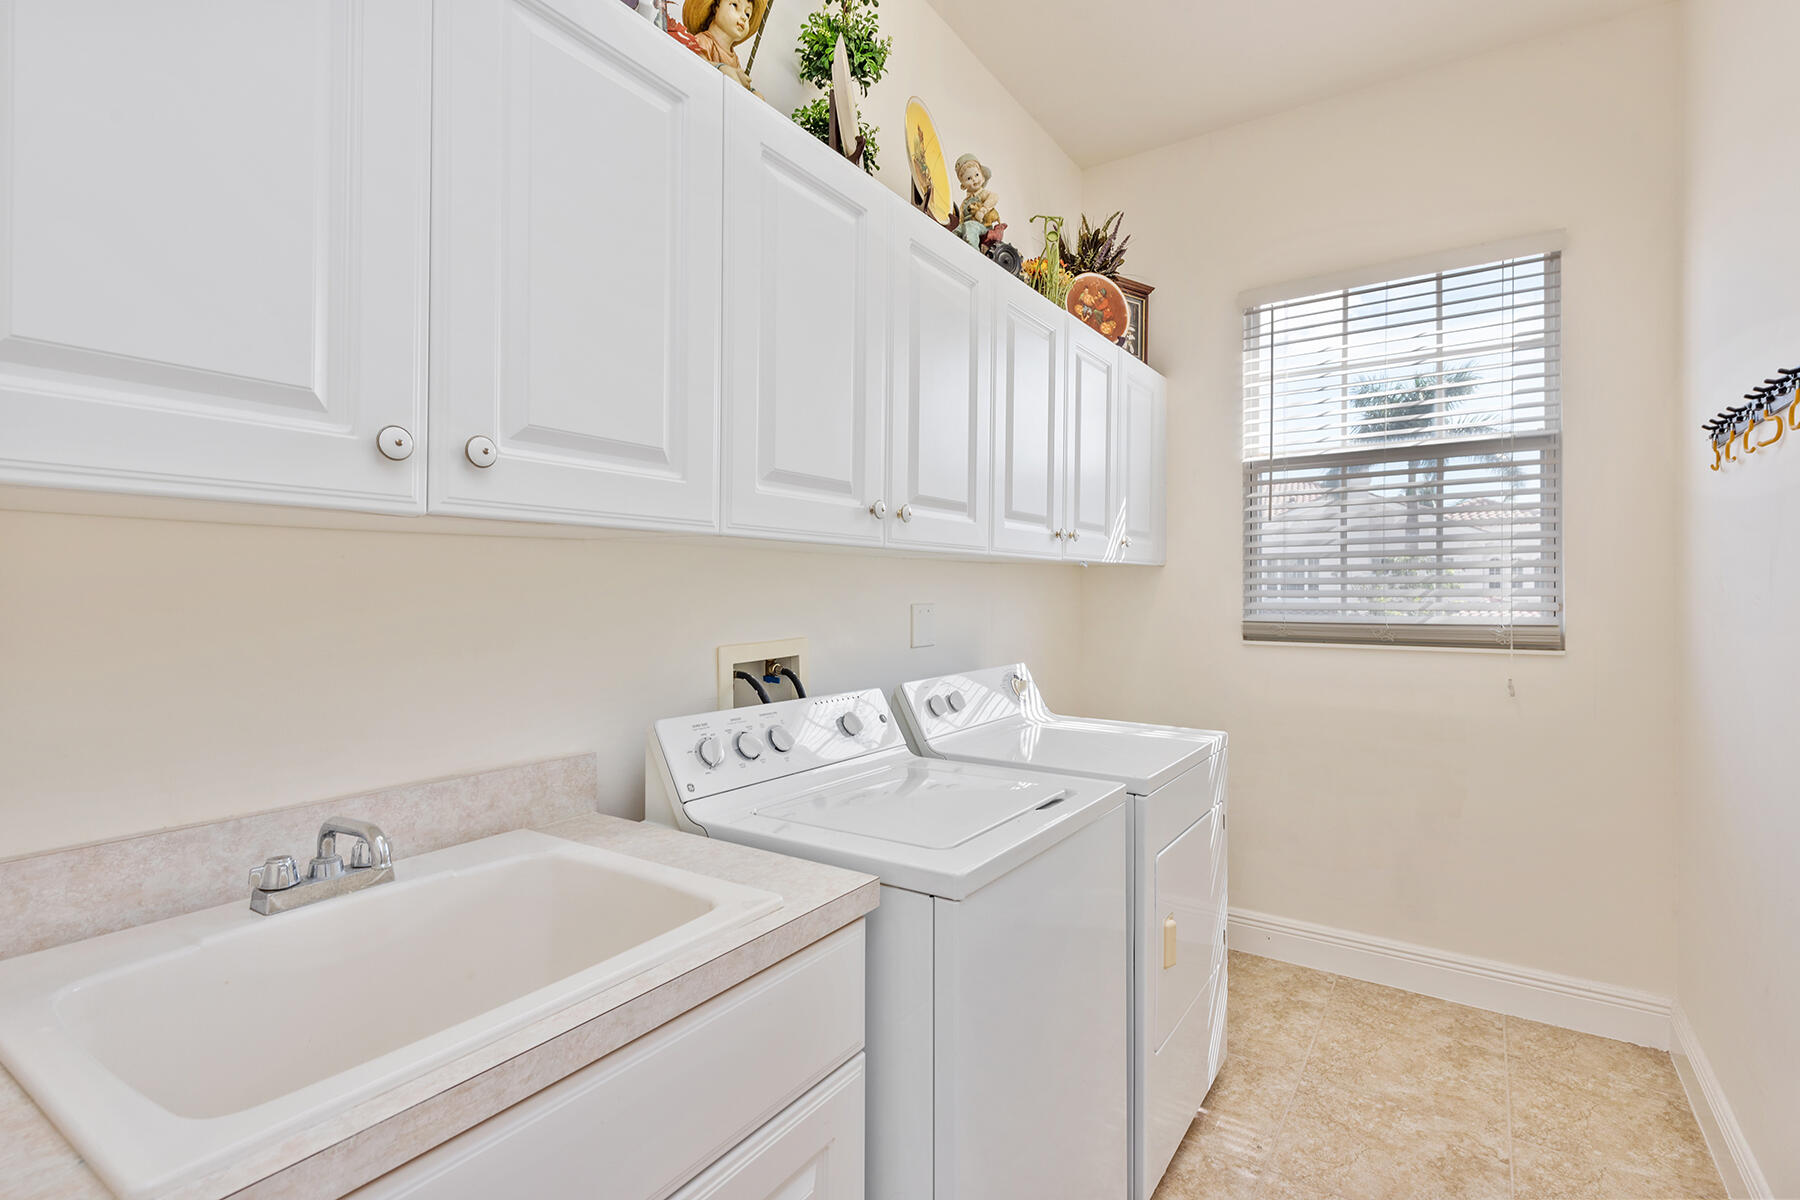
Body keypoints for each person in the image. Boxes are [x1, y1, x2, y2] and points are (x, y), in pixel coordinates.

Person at [681, 0, 766, 93]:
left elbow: (738, 85)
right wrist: (722, 69)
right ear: (716, 7)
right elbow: (694, 63)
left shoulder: (735, 59)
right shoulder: (703, 40)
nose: (744, 18)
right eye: (735, 5)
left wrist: (750, 90)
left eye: (747, 14)